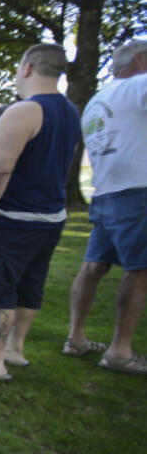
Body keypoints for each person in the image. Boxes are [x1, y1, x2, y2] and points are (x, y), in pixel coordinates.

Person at [0, 44, 82, 380]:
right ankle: (14, 349)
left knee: (0, 283)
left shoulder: (24, 111)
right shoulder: (70, 111)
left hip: (14, 215)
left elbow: (0, 169)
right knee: (31, 282)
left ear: (28, 68)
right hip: (51, 216)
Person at [64, 39, 147, 375]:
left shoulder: (99, 98)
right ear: (141, 60)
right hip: (138, 188)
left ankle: (76, 337)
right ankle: (119, 350)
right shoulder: (140, 85)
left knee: (93, 265)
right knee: (140, 270)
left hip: (107, 189)